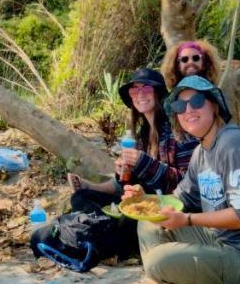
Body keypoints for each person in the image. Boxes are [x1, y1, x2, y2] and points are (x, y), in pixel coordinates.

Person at [120, 75, 240, 284]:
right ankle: (174, 280)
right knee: (147, 222)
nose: (188, 110)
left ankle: (170, 276)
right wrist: (143, 199)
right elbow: (180, 198)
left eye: (196, 102)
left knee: (157, 261)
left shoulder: (233, 144)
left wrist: (187, 220)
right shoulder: (200, 151)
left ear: (214, 105)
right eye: (179, 106)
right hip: (218, 239)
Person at [66, 68, 197, 214]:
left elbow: (188, 184)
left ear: (158, 93)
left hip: (169, 209)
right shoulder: (142, 135)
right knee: (80, 198)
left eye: (146, 89)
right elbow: (135, 184)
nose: (140, 95)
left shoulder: (178, 129)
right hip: (143, 201)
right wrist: (124, 171)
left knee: (123, 221)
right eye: (134, 91)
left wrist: (144, 163)